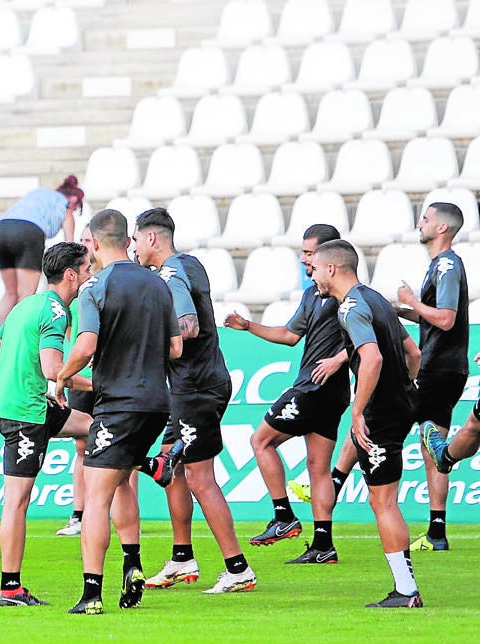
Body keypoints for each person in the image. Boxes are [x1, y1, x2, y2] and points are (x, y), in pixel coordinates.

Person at [55, 209, 182, 615]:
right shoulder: (160, 285)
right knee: (124, 482)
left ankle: (92, 594)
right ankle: (133, 563)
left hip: (119, 402)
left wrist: (61, 376)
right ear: (128, 240)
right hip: (157, 402)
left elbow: (87, 344)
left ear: (92, 242)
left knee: (96, 496)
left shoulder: (96, 286)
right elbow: (176, 348)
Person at [131, 208, 256, 595]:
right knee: (171, 467)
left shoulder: (171, 274)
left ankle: (238, 568)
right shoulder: (189, 265)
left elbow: (189, 325)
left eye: (136, 239)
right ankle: (182, 556)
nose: (133, 248)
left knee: (201, 479)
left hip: (195, 386)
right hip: (196, 382)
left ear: (151, 238)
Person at [223, 224, 350, 564]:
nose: (303, 259)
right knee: (317, 468)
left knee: (261, 440)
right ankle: (323, 545)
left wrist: (338, 359)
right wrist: (248, 326)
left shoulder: (347, 295)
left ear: (329, 257)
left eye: (309, 253)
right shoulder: (314, 294)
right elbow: (291, 335)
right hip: (331, 394)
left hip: (314, 388)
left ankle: (283, 517)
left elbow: (372, 337)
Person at [309, 240, 423, 608]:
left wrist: (359, 412)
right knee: (383, 499)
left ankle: (406, 590)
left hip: (380, 415)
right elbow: (414, 352)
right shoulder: (376, 300)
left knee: (383, 502)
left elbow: (370, 359)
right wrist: (406, 388)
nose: (312, 273)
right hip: (400, 407)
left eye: (315, 268)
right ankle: (405, 587)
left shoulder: (351, 308)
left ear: (332, 269)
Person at [0, 242, 94, 607]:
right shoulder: (56, 311)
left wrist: (13, 387)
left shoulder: (25, 304)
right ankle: (10, 589)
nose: (90, 275)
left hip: (21, 406)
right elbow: (53, 370)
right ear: (71, 274)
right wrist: (98, 383)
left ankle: (150, 466)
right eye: (88, 268)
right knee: (16, 502)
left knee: (94, 428)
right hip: (25, 416)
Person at [396, 203, 468, 552]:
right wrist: (400, 310)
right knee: (434, 451)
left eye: (425, 219)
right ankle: (437, 533)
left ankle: (333, 482)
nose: (419, 223)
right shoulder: (438, 266)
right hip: (446, 367)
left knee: (375, 416)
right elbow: (432, 318)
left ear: (441, 228)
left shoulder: (448, 266)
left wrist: (411, 301)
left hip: (438, 367)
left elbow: (445, 319)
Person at [0, 175, 84, 323]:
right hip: (30, 231)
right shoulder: (66, 206)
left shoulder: (39, 194)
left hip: (2, 228)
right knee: (26, 296)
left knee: (10, 293)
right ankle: (20, 336)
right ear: (74, 200)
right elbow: (69, 244)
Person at [57, 225, 99, 538]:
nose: (85, 246)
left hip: (107, 374)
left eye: (88, 240)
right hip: (82, 375)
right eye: (82, 241)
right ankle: (79, 514)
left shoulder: (105, 282)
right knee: (82, 446)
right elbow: (70, 333)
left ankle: (118, 508)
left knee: (122, 444)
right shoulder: (73, 292)